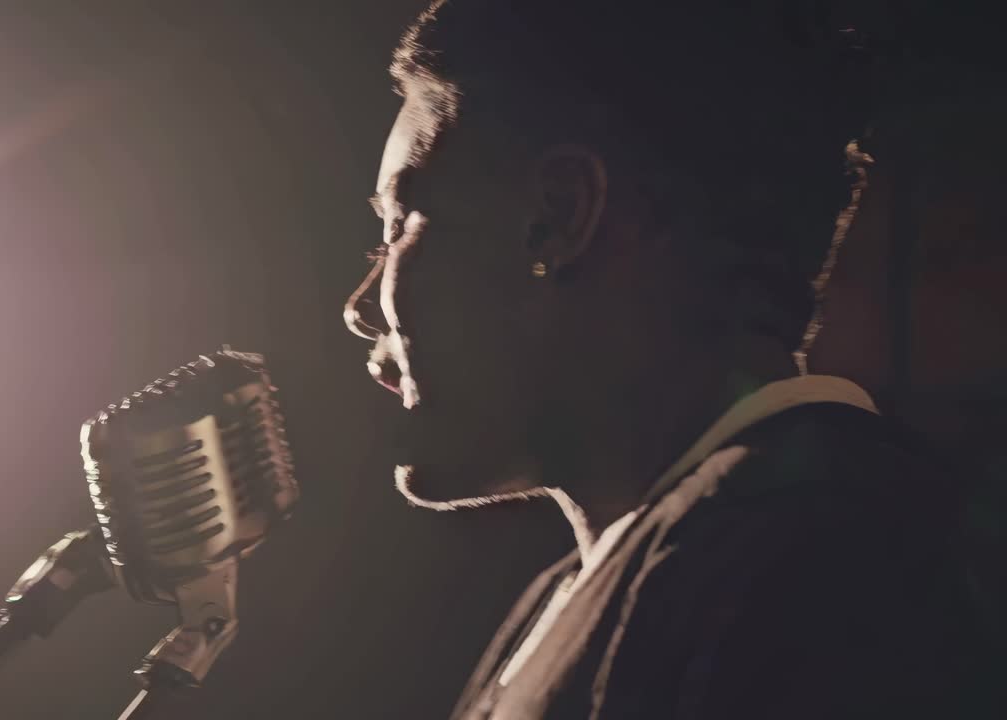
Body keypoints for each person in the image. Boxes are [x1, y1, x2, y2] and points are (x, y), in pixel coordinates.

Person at [341, 2, 969, 718]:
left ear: (559, 218)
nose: (361, 307)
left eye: (398, 225)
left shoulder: (819, 568)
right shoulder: (578, 593)